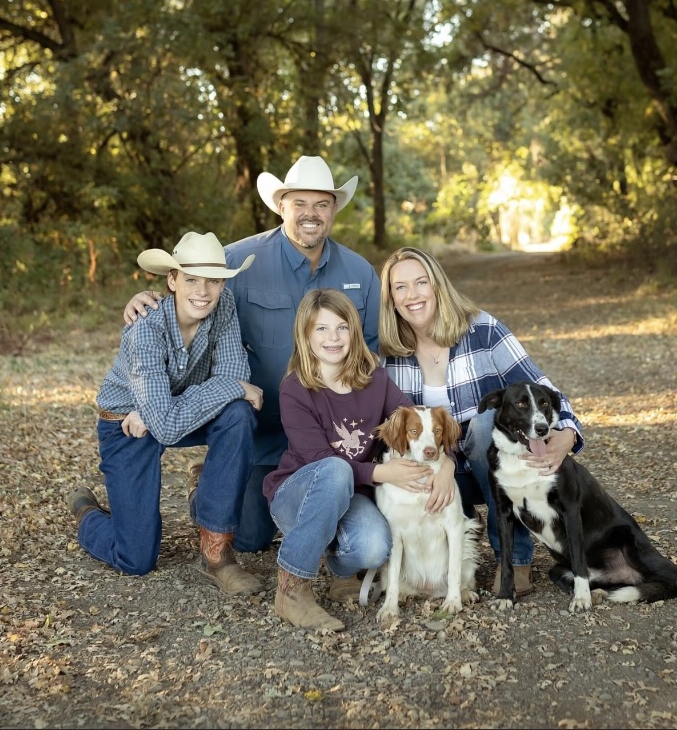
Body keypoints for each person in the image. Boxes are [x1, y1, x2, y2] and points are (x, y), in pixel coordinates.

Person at [122, 155, 382, 556]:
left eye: (321, 204)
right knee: (249, 539)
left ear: (334, 209)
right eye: (300, 203)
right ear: (281, 206)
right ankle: (208, 482)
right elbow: (192, 291)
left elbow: (372, 354)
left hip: (332, 438)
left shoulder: (361, 273)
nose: (310, 214)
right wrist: (150, 299)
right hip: (261, 433)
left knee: (340, 524)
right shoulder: (237, 262)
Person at [376, 246, 585, 597]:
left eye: (420, 283)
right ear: (391, 298)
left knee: (486, 425)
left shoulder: (482, 330)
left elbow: (544, 389)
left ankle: (514, 562)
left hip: (485, 465)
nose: (412, 295)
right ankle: (408, 565)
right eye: (400, 287)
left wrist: (567, 431)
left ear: (438, 286)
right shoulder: (389, 353)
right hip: (431, 470)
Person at [67, 231, 264, 595]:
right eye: (191, 279)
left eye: (213, 281)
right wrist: (230, 388)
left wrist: (174, 406)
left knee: (238, 414)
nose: (203, 291)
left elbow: (233, 373)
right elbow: (173, 424)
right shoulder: (145, 329)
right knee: (136, 559)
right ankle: (87, 513)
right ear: (172, 280)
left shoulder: (224, 305)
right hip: (126, 423)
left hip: (172, 412)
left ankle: (216, 554)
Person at [264, 288, 430, 632]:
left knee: (375, 548)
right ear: (306, 335)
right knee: (335, 468)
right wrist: (383, 472)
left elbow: (414, 422)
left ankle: (340, 570)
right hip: (298, 495)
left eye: (342, 327)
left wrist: (445, 467)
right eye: (321, 329)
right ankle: (291, 589)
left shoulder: (376, 381)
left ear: (354, 331)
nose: (333, 338)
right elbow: (318, 459)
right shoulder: (295, 389)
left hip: (353, 493)